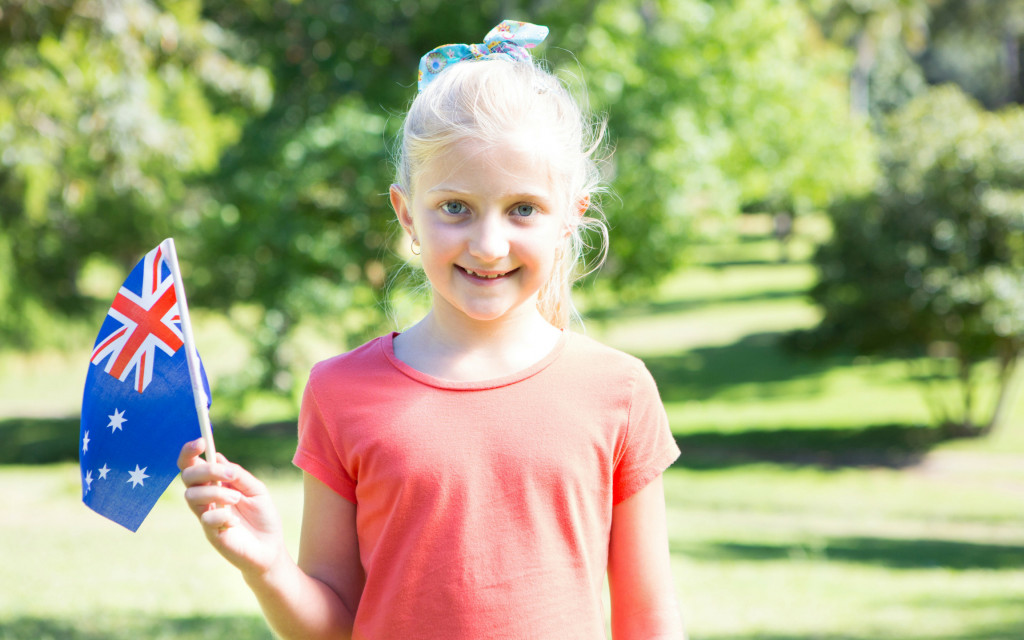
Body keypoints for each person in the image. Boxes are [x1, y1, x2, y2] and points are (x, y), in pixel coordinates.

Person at [179, 20, 684, 639]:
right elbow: (334, 627)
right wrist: (267, 566)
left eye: (523, 209)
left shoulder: (619, 391)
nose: (489, 244)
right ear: (406, 213)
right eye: (455, 208)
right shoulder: (339, 392)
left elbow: (650, 624)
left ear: (569, 219)